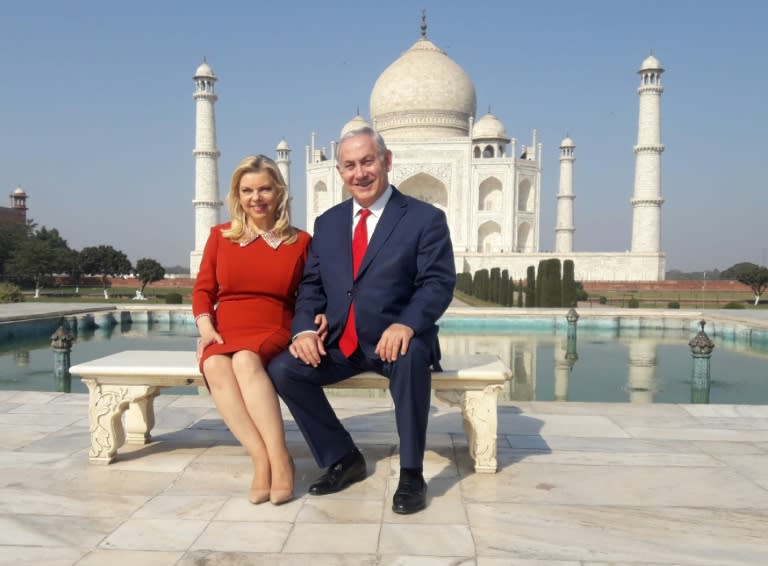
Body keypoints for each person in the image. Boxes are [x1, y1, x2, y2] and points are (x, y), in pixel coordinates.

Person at [269, 127, 456, 514]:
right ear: (340, 171)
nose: (360, 173)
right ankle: (342, 456)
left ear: (386, 162)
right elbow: (312, 285)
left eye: (367, 162)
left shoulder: (424, 219)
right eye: (350, 165)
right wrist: (304, 328)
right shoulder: (330, 222)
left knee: (410, 360)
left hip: (396, 338)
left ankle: (411, 474)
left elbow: (437, 283)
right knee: (284, 368)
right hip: (341, 342)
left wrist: (407, 323)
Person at [193, 154, 321, 506]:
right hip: (226, 325)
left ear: (278, 192)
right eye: (247, 190)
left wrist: (316, 321)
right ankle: (260, 459)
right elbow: (203, 289)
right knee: (216, 363)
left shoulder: (300, 241)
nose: (256, 198)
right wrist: (206, 327)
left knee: (246, 361)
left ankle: (280, 459)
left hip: (273, 322)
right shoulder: (220, 236)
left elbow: (313, 292)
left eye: (264, 189)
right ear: (237, 194)